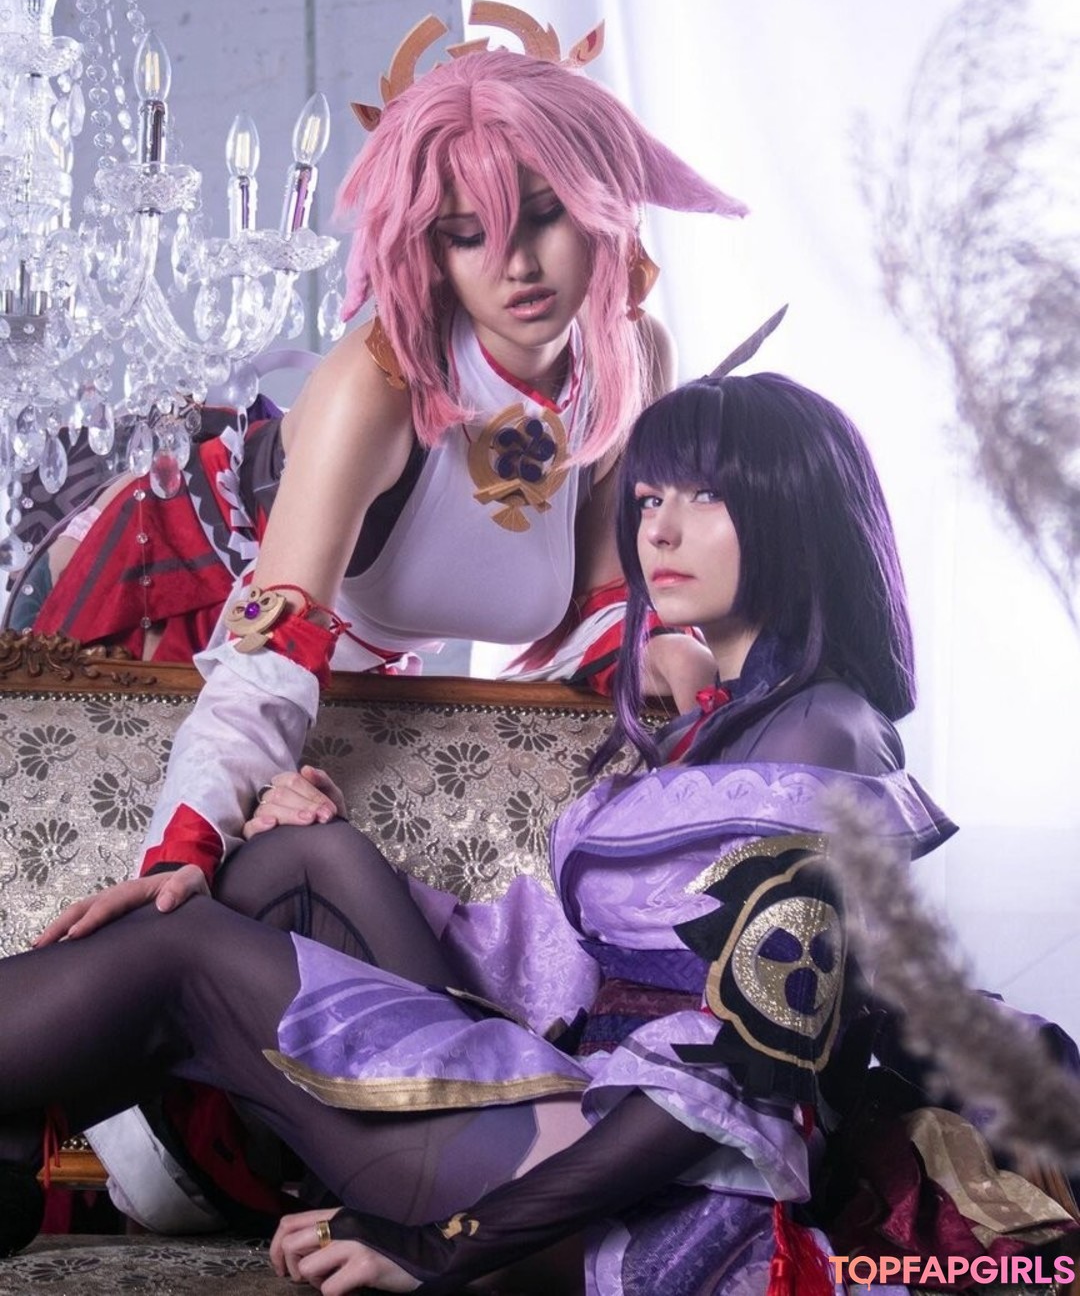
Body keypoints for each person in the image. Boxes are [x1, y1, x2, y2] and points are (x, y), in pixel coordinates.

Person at [12, 370, 1066, 1296]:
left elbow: (737, 1076)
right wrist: (306, 826)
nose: (658, 531)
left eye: (706, 497)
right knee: (301, 857)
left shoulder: (823, 735)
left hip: (666, 1193)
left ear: (799, 509)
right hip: (585, 1090)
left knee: (182, 950)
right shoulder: (729, 721)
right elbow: (593, 958)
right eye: (649, 498)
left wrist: (438, 1246)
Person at [30, 3, 741, 939]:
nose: (517, 265)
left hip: (353, 675)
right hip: (186, 604)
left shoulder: (631, 354)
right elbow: (264, 663)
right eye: (468, 232)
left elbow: (599, 608)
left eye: (546, 214)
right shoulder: (377, 384)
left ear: (601, 202)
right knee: (134, 916)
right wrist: (182, 851)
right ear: (428, 246)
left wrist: (670, 656)